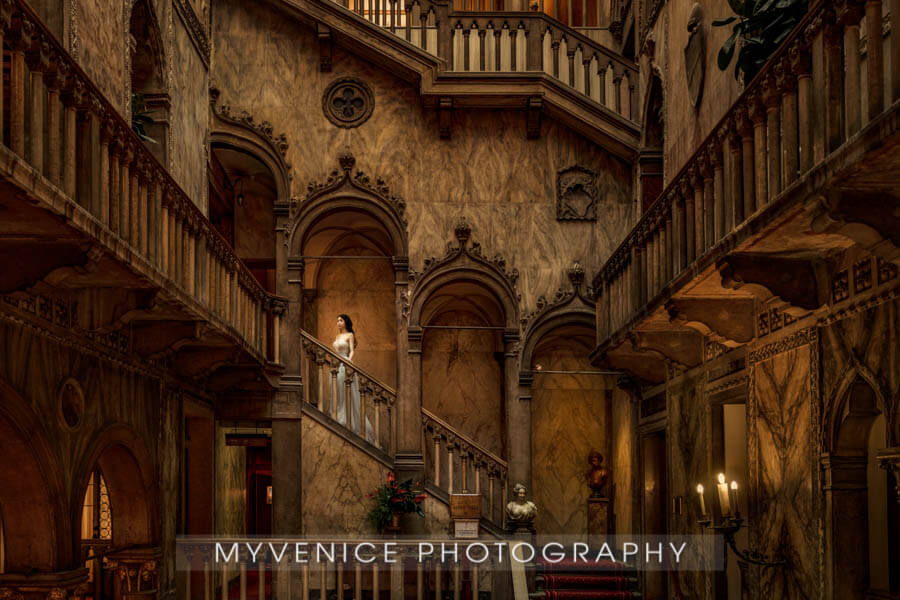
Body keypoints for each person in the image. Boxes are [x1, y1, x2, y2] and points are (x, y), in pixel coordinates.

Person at [332, 314, 375, 443]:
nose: (338, 323)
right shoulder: (337, 336)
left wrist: (349, 362)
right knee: (338, 392)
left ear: (346, 322)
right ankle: (339, 416)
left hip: (345, 364)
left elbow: (351, 351)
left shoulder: (349, 335)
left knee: (348, 392)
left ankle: (348, 419)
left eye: (341, 320)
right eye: (337, 320)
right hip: (336, 365)